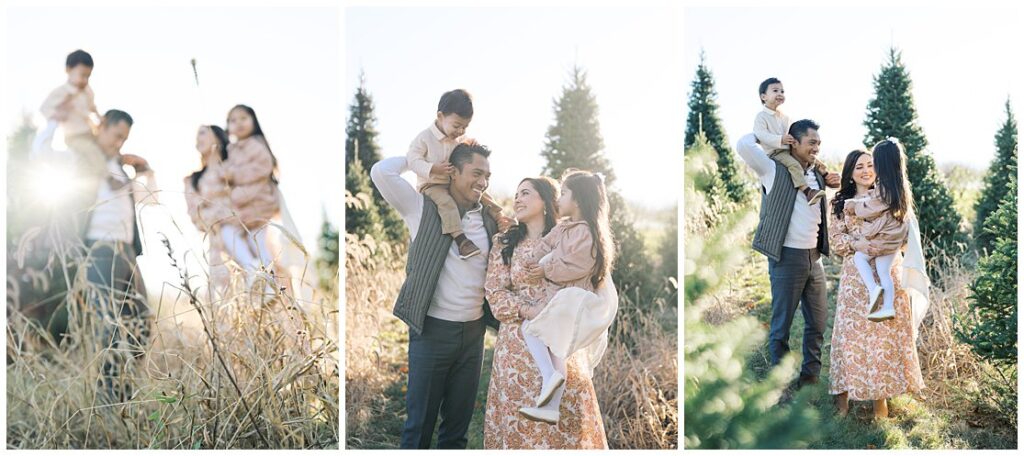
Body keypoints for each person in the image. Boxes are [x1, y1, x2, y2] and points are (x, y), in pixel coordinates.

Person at [371, 143, 501, 449]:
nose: (483, 182)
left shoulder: (490, 220)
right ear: (453, 172)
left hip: (474, 335)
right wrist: (426, 161)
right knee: (419, 429)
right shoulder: (420, 208)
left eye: (488, 176)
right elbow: (381, 172)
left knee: (457, 432)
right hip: (432, 332)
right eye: (476, 173)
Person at [483, 177, 612, 449]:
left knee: (566, 430)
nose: (517, 199)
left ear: (546, 201)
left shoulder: (572, 236)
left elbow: (592, 285)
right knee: (520, 427)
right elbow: (495, 292)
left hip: (560, 343)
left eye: (526, 193)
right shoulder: (505, 242)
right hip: (516, 348)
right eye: (516, 193)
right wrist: (529, 311)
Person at [736, 119, 840, 389]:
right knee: (781, 326)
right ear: (795, 142)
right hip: (786, 258)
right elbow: (743, 144)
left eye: (819, 143)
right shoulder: (772, 169)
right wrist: (776, 138)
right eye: (812, 143)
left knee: (817, 323)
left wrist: (834, 179)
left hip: (813, 258)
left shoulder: (816, 174)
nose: (816, 148)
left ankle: (809, 382)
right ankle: (780, 386)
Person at [828, 146, 929, 419]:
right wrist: (863, 244)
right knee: (849, 337)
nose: (865, 170)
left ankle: (879, 405)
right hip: (856, 278)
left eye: (870, 165)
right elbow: (838, 242)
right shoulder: (839, 204)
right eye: (859, 166)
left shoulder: (887, 197)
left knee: (882, 338)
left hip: (888, 270)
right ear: (850, 173)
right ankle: (842, 401)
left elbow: (903, 232)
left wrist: (882, 244)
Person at [516, 170, 616, 424]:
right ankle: (551, 407)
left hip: (573, 299)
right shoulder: (563, 229)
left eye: (564, 194)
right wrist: (532, 259)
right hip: (560, 297)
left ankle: (549, 375)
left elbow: (576, 265)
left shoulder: (586, 232)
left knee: (531, 329)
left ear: (579, 201)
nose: (558, 199)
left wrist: (545, 269)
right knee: (556, 347)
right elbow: (545, 245)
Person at [406, 89, 509, 259]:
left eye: (465, 127)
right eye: (457, 125)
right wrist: (432, 168)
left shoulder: (457, 138)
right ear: (440, 116)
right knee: (446, 203)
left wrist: (469, 143)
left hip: (452, 183)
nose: (460, 131)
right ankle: (461, 240)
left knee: (484, 195)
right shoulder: (424, 138)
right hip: (432, 184)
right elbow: (412, 160)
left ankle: (500, 217)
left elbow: (463, 150)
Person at [842, 139, 912, 322]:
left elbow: (871, 207)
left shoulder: (884, 188)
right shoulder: (900, 186)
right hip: (893, 243)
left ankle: (874, 289)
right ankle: (888, 308)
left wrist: (853, 206)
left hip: (882, 240)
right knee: (884, 272)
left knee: (860, 257)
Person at [222, 104, 281, 291]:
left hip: (258, 203)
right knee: (244, 241)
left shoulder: (256, 144)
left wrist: (234, 174)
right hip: (242, 207)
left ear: (253, 121)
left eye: (243, 118)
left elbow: (262, 168)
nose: (238, 123)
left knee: (259, 243)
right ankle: (256, 276)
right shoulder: (231, 150)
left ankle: (270, 284)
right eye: (233, 120)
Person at [752, 78, 836, 205]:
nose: (780, 94)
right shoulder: (761, 117)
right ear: (763, 96)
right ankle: (807, 191)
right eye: (775, 91)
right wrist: (780, 139)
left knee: (814, 160)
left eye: (782, 91)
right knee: (794, 165)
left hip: (788, 149)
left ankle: (826, 175)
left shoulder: (784, 117)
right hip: (776, 152)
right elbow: (761, 135)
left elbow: (794, 132)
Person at [183, 125, 233, 293]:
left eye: (203, 133)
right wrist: (225, 216)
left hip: (246, 238)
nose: (198, 138)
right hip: (217, 248)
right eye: (196, 135)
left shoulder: (234, 170)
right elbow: (196, 218)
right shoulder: (193, 180)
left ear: (218, 138)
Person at [35, 49, 102, 173]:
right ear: (68, 70)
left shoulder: (87, 90)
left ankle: (104, 171)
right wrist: (57, 115)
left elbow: (92, 106)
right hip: (73, 135)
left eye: (88, 76)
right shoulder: (61, 92)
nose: (85, 80)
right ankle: (104, 175)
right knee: (91, 152)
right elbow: (45, 108)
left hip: (89, 131)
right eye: (82, 75)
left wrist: (99, 116)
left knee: (99, 148)